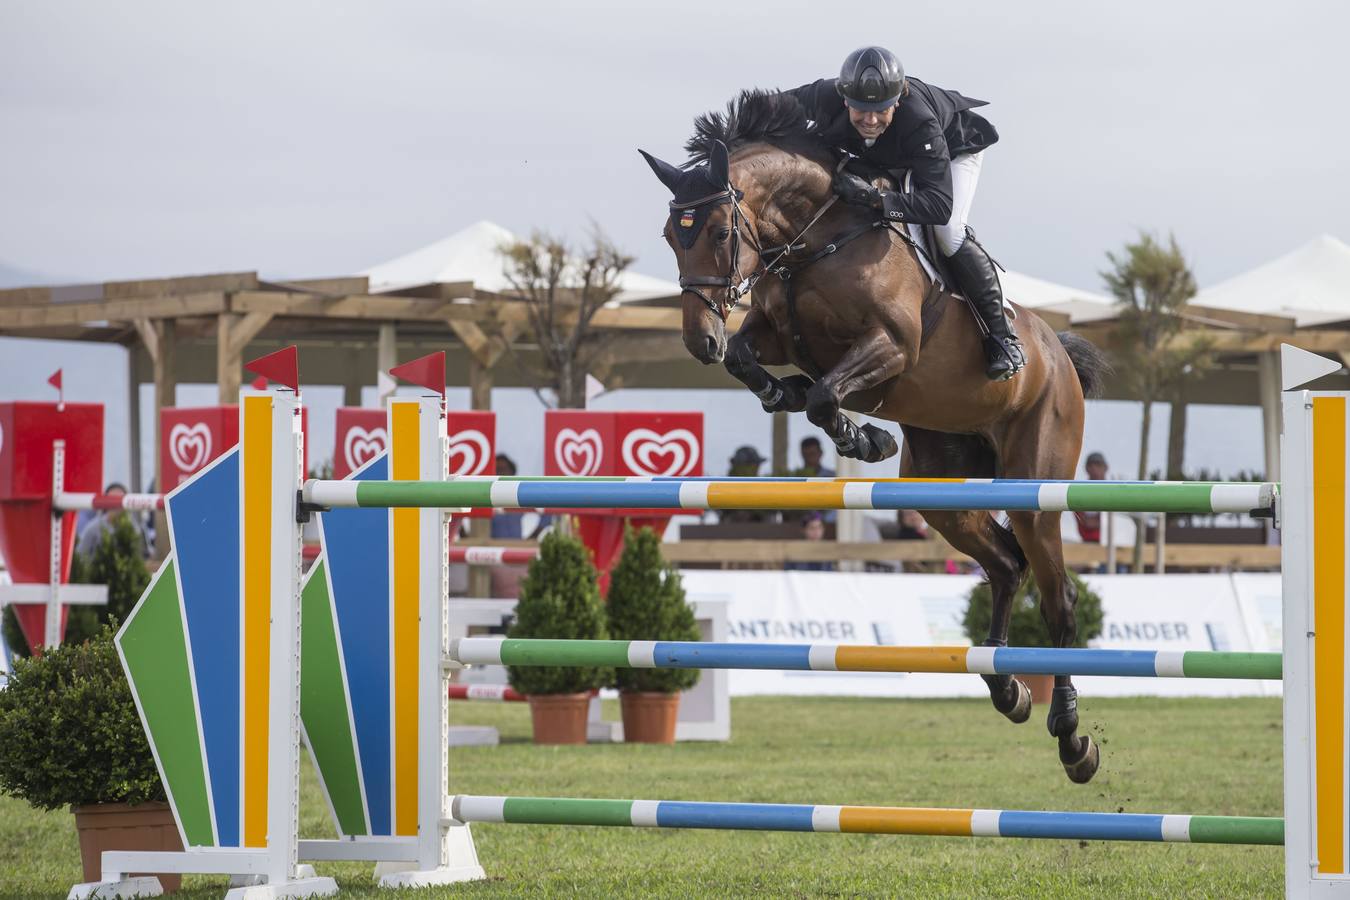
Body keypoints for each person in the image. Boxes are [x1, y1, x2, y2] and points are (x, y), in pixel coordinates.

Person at [783, 46, 1023, 381]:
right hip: (889, 154)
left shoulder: (919, 121)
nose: (870, 120)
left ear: (897, 100)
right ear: (844, 98)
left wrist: (877, 199)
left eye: (880, 110)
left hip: (954, 151)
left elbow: (938, 206)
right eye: (860, 110)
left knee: (949, 232)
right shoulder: (821, 94)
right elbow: (770, 109)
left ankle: (1002, 336)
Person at [76, 483, 149, 559]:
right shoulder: (93, 529)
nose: (115, 505)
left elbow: (141, 557)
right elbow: (80, 556)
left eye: (119, 501)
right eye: (111, 500)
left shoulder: (133, 528)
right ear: (105, 503)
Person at [1074, 452, 1108, 543]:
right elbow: (1085, 522)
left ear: (1106, 468)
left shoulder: (1112, 491)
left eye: (1098, 465)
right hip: (1086, 543)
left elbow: (1114, 522)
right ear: (1086, 468)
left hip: (1115, 542)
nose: (1094, 469)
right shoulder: (1080, 492)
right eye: (1090, 465)